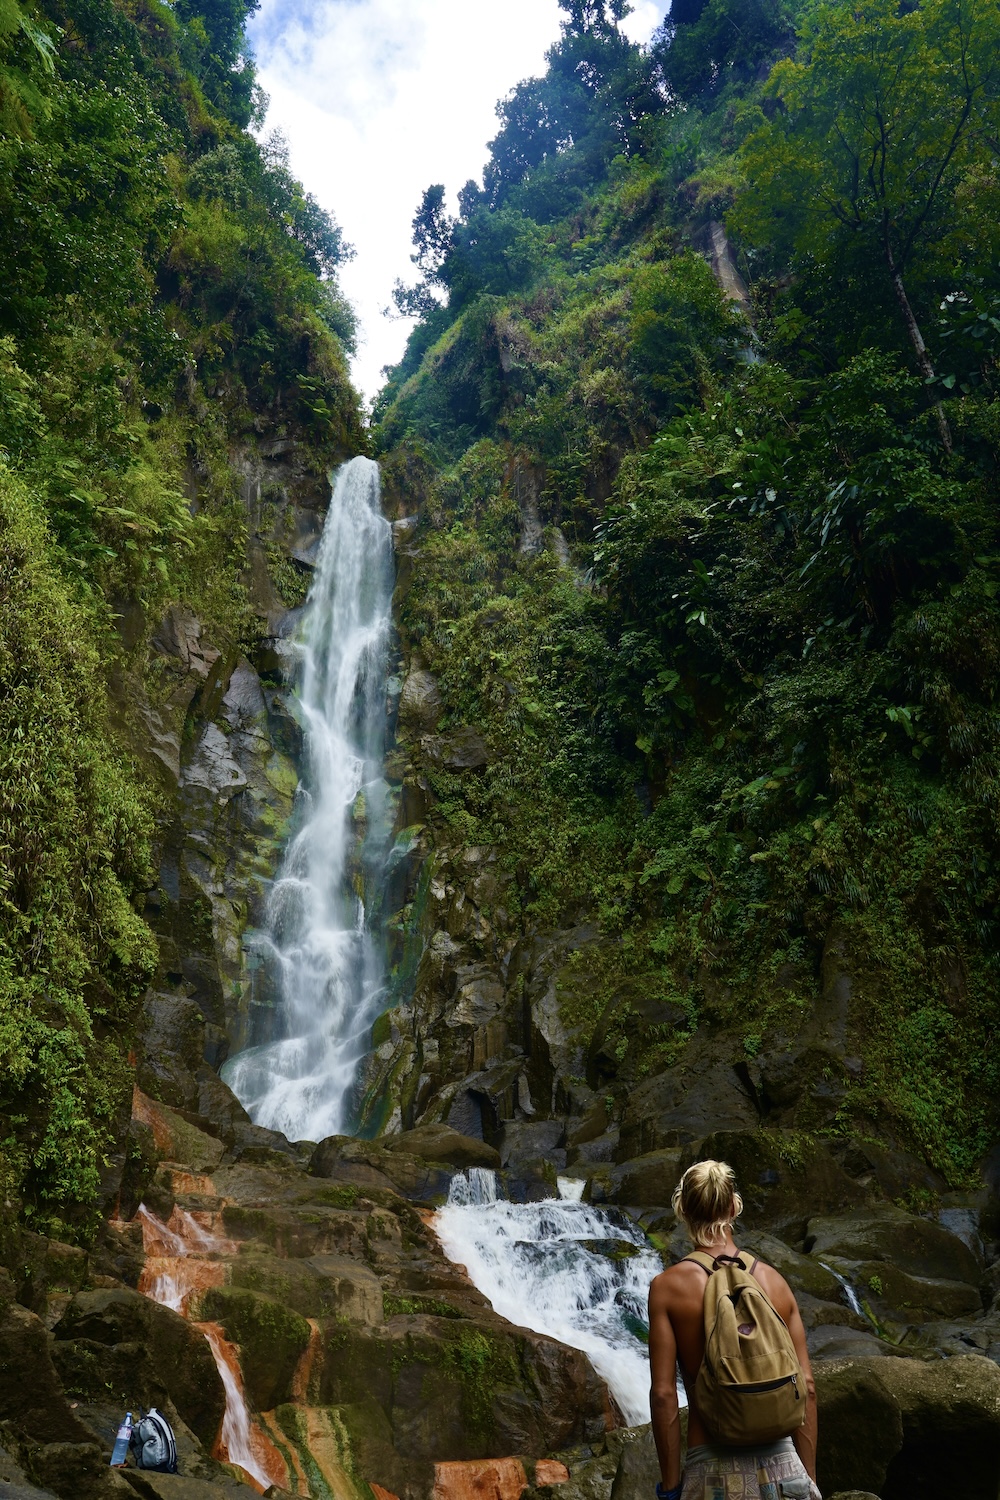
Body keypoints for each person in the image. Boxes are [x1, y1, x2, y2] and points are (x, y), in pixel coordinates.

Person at [647, 1160, 821, 1500]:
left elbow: (664, 1395)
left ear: (683, 1209)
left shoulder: (668, 1288)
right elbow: (807, 1387)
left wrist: (670, 1488)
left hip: (712, 1471)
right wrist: (810, 1478)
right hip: (785, 1467)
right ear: (732, 1206)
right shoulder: (773, 1281)